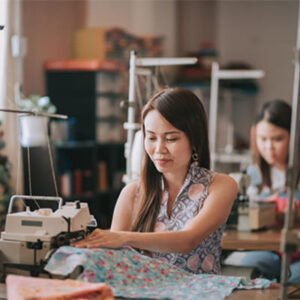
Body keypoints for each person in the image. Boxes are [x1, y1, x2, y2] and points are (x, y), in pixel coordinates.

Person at [74, 87, 237, 275]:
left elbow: (187, 240)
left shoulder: (221, 185)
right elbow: (114, 259)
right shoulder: (132, 193)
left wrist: (122, 237)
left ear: (194, 139)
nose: (159, 149)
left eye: (171, 139)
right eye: (151, 137)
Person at [224, 99, 300, 282]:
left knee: (291, 280)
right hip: (263, 251)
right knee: (236, 267)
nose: (269, 147)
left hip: (295, 253)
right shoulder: (251, 175)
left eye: (277, 139)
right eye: (262, 139)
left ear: (294, 137)